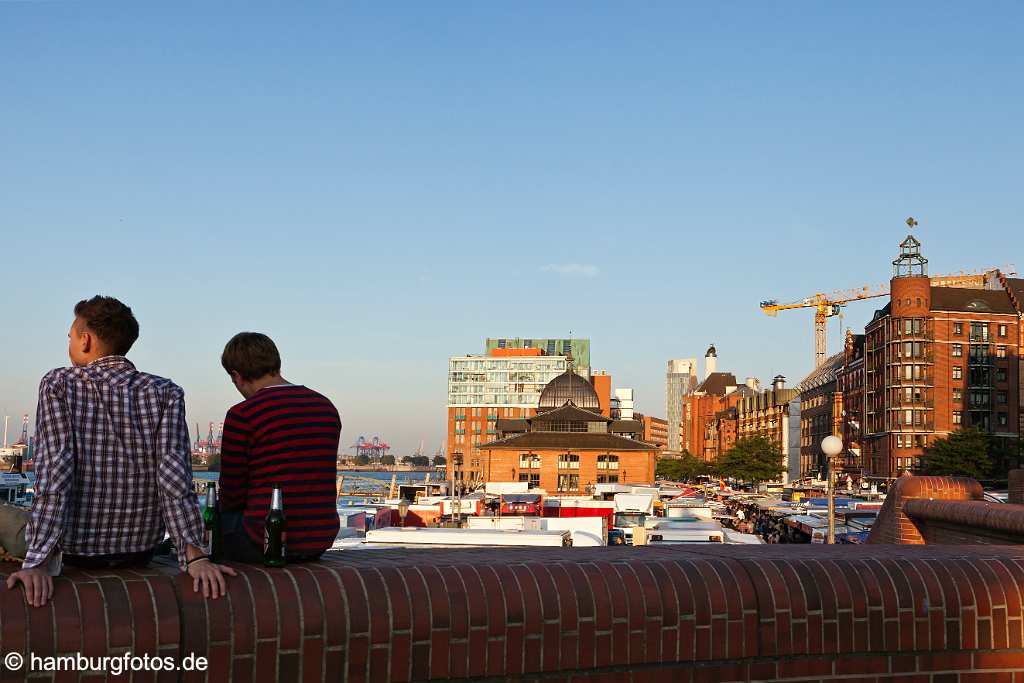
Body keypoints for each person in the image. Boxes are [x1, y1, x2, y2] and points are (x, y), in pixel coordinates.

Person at [5, 296, 235, 607]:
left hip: (75, 552)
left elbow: (55, 475)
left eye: (70, 336)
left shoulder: (59, 383)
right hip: (139, 550)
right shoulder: (166, 392)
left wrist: (37, 562)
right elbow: (174, 480)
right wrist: (195, 556)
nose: (70, 343)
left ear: (85, 340)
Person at [218, 332, 341, 563]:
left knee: (205, 523)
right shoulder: (325, 407)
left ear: (237, 376)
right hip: (319, 540)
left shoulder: (243, 414)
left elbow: (232, 494)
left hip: (263, 541)